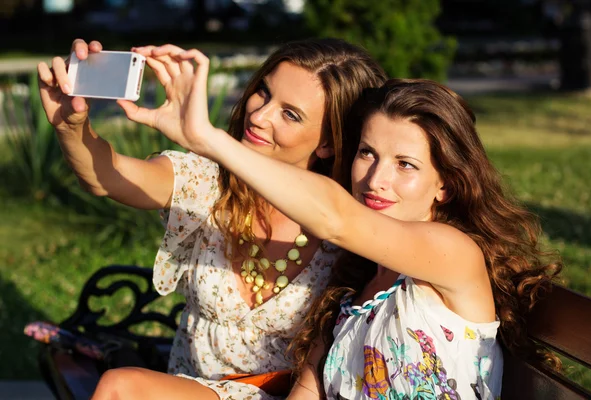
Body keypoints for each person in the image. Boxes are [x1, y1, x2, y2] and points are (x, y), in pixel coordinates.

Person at [128, 48, 562, 399]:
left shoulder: (451, 254)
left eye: (405, 165)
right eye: (367, 153)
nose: (376, 180)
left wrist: (209, 139)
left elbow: (337, 217)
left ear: (445, 187)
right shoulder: (352, 291)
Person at [37, 38, 386, 399]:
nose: (258, 116)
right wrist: (70, 128)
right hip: (185, 388)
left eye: (290, 114)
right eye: (263, 94)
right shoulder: (210, 184)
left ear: (328, 142)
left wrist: (206, 137)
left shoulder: (348, 221)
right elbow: (107, 177)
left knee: (120, 387)